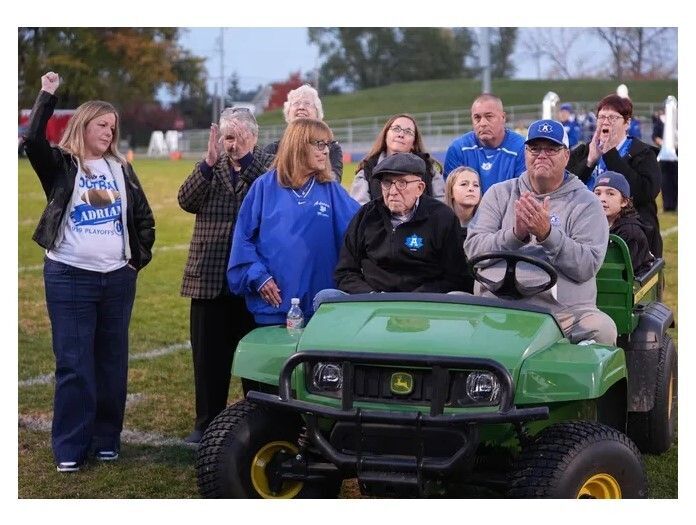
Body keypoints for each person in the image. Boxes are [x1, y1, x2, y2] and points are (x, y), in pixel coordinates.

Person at [23, 72, 155, 472]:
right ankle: (69, 446)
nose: (109, 132)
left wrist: (135, 262)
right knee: (74, 363)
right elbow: (31, 142)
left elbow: (143, 218)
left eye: (113, 127)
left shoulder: (121, 169)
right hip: (70, 277)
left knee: (112, 362)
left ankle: (106, 438)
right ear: (84, 124)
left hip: (117, 279)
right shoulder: (62, 164)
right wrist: (47, 94)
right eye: (102, 124)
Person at [465, 119, 616, 346]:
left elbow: (586, 266)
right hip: (496, 307)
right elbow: (473, 251)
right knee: (450, 311)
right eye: (534, 148)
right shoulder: (499, 194)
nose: (541, 155)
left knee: (602, 329)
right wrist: (515, 235)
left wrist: (547, 235)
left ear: (566, 156)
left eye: (551, 148)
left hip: (562, 316)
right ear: (525, 153)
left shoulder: (586, 203)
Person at [178, 107, 274, 444]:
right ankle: (206, 424)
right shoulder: (211, 166)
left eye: (234, 137)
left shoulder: (267, 167)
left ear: (252, 136)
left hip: (252, 280)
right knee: (207, 360)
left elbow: (272, 195)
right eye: (225, 138)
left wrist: (247, 161)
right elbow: (185, 200)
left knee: (257, 360)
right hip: (208, 278)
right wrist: (207, 161)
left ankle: (260, 425)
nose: (228, 145)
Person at [228, 118, 359, 325]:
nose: (326, 151)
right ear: (299, 144)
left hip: (321, 312)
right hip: (273, 309)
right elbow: (242, 241)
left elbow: (362, 227)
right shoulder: (264, 187)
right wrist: (258, 277)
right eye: (320, 144)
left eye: (328, 145)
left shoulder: (330, 190)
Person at [335, 152, 466, 294]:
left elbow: (456, 277)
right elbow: (345, 272)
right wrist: (371, 295)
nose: (392, 191)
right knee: (325, 296)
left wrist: (417, 297)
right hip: (373, 301)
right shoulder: (366, 216)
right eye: (386, 183)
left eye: (401, 183)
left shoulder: (442, 217)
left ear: (420, 188)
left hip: (425, 303)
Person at [567, 94, 663, 257]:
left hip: (632, 239)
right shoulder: (584, 152)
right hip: (585, 232)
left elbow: (644, 193)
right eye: (601, 117)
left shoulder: (642, 154)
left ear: (627, 123)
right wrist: (590, 162)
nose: (605, 122)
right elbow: (565, 188)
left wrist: (611, 154)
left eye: (612, 117)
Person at [350, 113, 444, 205]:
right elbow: (360, 210)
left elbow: (441, 207)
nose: (401, 134)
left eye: (408, 132)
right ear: (385, 135)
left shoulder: (429, 169)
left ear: (414, 143)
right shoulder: (367, 169)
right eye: (396, 129)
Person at [444, 93, 526, 193]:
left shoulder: (522, 148)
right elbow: (451, 195)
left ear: (503, 117)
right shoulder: (458, 149)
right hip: (468, 208)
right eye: (477, 118)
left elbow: (522, 193)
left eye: (489, 116)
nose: (482, 123)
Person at [263, 84, 343, 181]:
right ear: (288, 113)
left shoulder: (331, 149)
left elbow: (333, 183)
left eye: (307, 104)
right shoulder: (273, 149)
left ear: (317, 114)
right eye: (296, 103)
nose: (301, 107)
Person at [593, 171, 654, 275]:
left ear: (624, 201)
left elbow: (621, 273)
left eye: (610, 194)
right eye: (597, 193)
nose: (602, 199)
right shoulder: (591, 224)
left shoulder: (629, 231)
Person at [444, 166, 482, 293]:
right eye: (464, 184)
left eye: (476, 185)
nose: (471, 188)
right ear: (451, 191)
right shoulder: (439, 225)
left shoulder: (487, 228)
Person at [652, 109, 678, 212]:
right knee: (666, 180)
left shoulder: (677, 121)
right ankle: (667, 205)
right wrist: (664, 143)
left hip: (677, 153)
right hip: (665, 155)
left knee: (676, 180)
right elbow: (655, 136)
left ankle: (675, 204)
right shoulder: (661, 121)